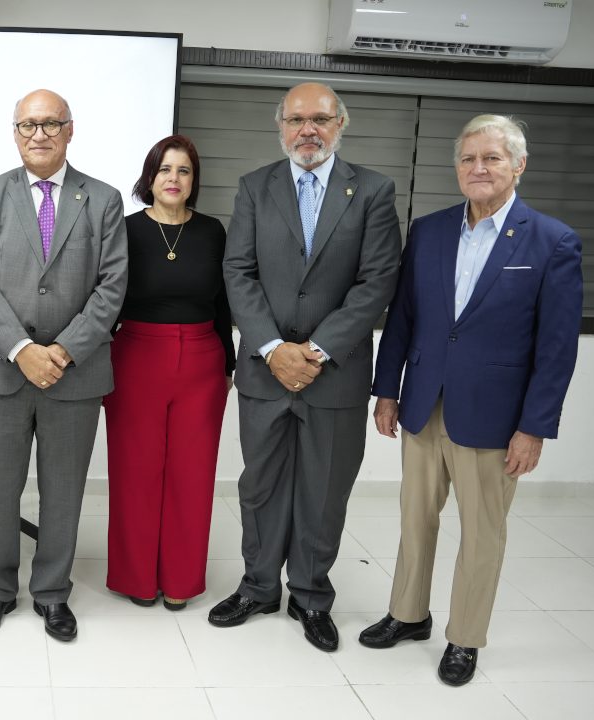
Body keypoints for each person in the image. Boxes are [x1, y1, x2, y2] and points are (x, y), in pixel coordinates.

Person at [359, 115, 583, 686]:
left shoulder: (552, 241)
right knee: (415, 519)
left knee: (482, 534)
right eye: (468, 159)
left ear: (518, 166)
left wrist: (534, 427)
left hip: (494, 418)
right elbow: (404, 320)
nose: (478, 169)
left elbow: (555, 349)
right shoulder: (430, 231)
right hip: (422, 405)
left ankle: (465, 637)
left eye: (492, 158)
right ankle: (408, 615)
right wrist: (387, 390)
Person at [213, 82, 401, 652]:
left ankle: (312, 595)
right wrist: (273, 348)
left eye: (320, 119)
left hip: (335, 373)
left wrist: (315, 351)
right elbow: (238, 273)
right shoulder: (255, 187)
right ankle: (258, 586)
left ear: (341, 124)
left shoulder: (372, 190)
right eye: (296, 120)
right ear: (281, 127)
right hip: (266, 371)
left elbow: (376, 283)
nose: (308, 131)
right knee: (261, 486)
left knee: (323, 490)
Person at [0, 89, 128, 641]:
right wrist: (21, 349)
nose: (39, 134)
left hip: (73, 373)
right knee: (0, 489)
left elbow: (111, 287)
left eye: (51, 124)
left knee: (63, 491)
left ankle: (53, 593)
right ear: (14, 132)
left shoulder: (102, 200)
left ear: (70, 130)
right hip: (3, 371)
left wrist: (62, 350)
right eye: (29, 125)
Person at [103, 134, 233, 611]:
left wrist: (229, 366)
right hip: (135, 355)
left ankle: (180, 579)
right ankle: (137, 578)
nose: (173, 179)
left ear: (193, 180)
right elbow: (107, 298)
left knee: (192, 477)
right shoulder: (125, 229)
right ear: (149, 178)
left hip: (202, 361)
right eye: (164, 170)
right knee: (135, 473)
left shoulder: (213, 231)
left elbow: (221, 301)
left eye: (183, 171)